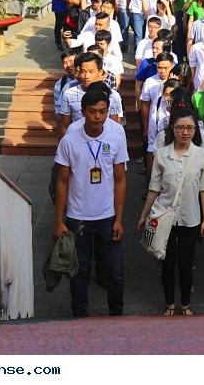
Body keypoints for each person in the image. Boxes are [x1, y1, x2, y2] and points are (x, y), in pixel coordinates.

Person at [54, 89, 128, 317]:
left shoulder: (116, 138)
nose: (98, 116)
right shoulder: (69, 141)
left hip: (107, 219)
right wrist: (59, 221)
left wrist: (119, 219)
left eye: (102, 112)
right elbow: (62, 181)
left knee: (115, 272)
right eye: (93, 111)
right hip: (78, 219)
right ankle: (79, 317)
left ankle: (116, 315)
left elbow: (120, 179)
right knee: (79, 272)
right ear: (84, 112)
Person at [137, 108, 204, 316]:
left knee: (186, 265)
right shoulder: (161, 155)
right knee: (167, 263)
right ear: (173, 129)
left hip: (191, 219)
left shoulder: (202, 156)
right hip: (164, 219)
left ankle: (186, 304)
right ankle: (170, 303)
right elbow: (154, 189)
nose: (185, 132)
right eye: (180, 127)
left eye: (189, 128)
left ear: (195, 130)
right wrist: (144, 215)